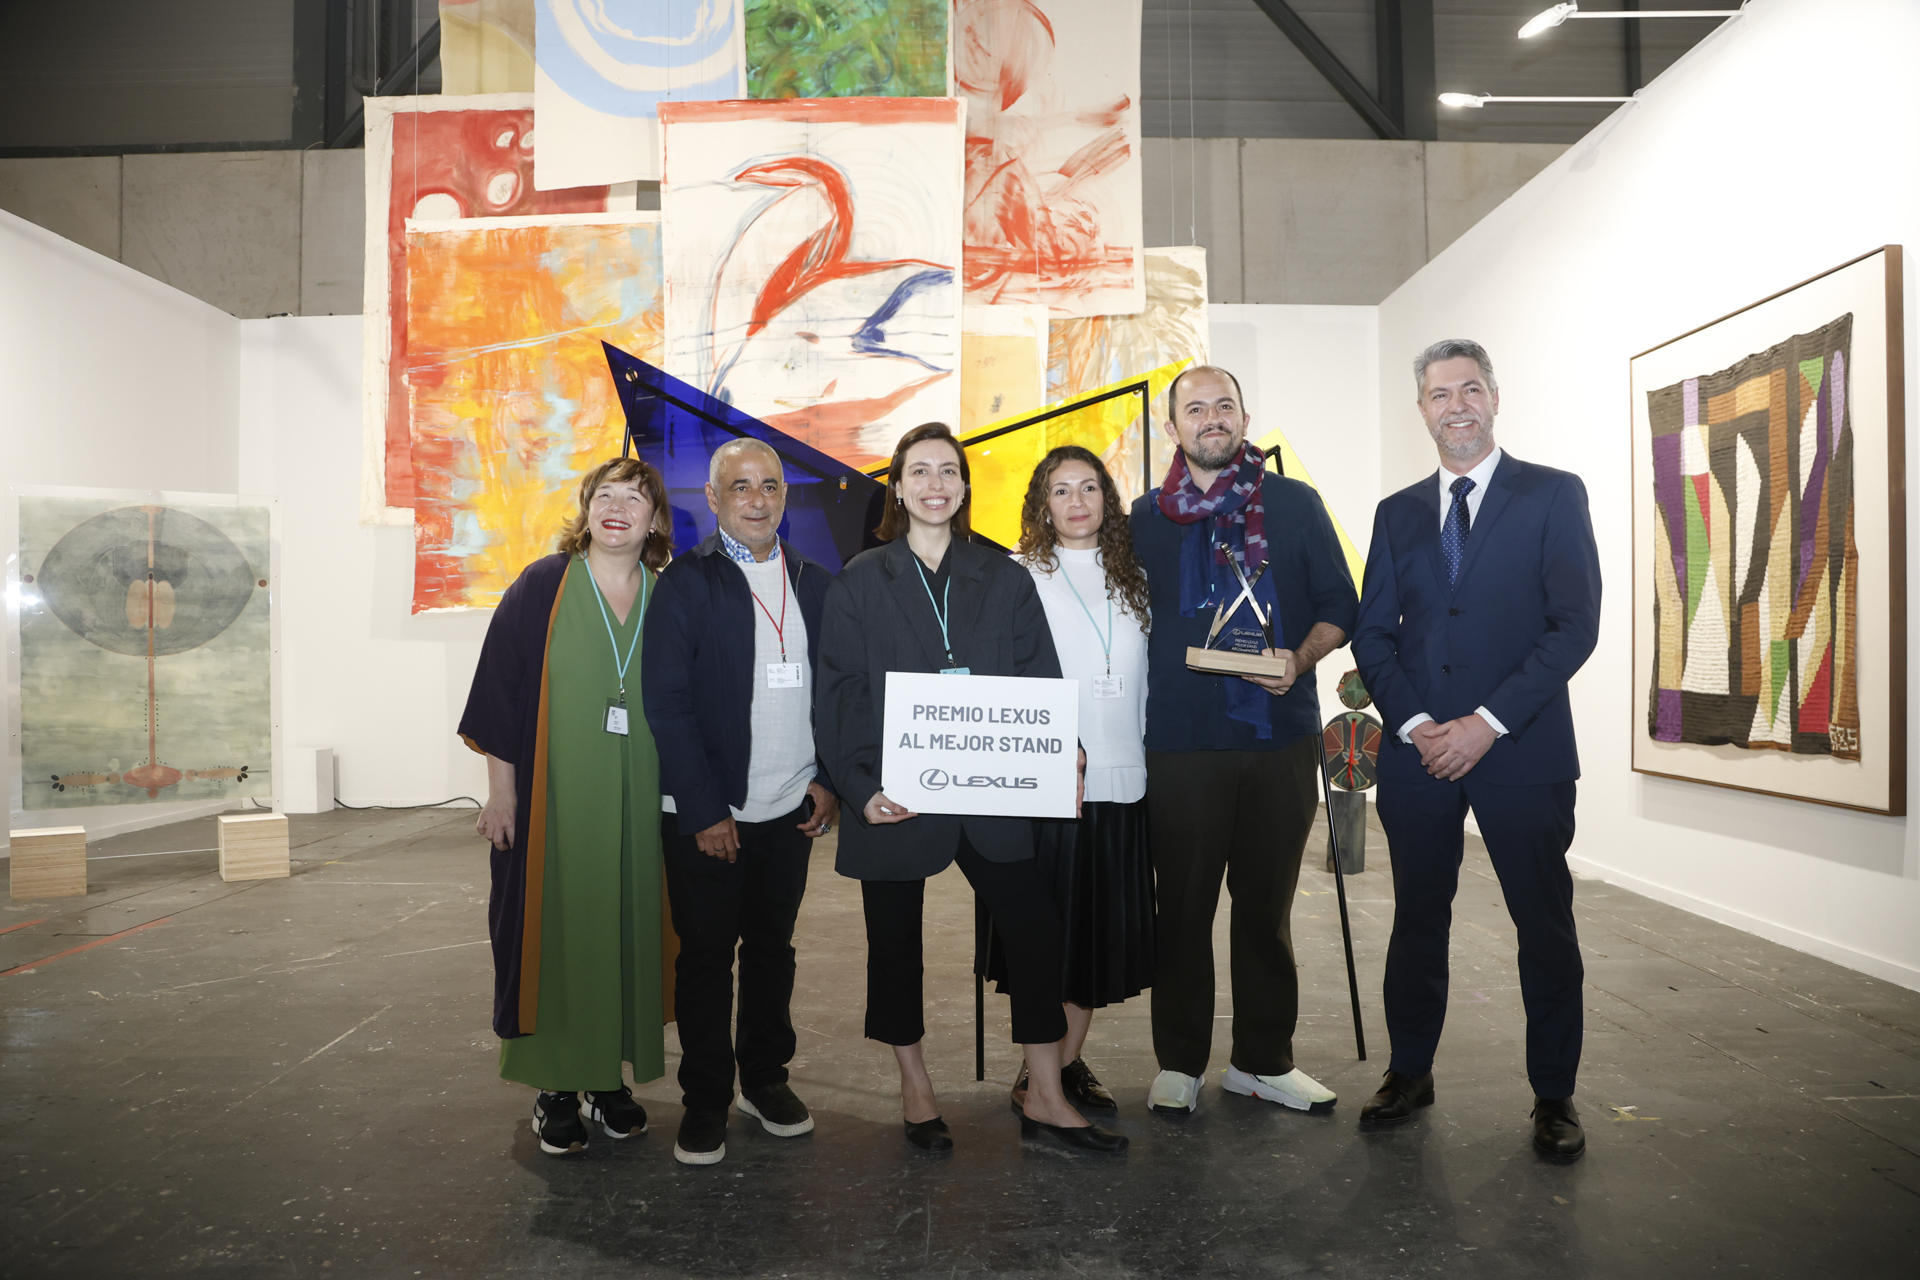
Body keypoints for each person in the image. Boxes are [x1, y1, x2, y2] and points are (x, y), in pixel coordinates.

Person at [814, 422, 1127, 1155]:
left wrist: (1063, 752)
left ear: (962, 486)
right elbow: (839, 695)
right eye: (918, 472)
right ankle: (915, 1089)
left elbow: (1037, 681)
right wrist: (859, 790)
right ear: (897, 486)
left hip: (991, 794)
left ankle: (1046, 1092)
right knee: (894, 946)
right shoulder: (860, 579)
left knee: (1035, 928)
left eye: (947, 472)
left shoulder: (1004, 576)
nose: (934, 485)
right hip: (893, 797)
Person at [1351, 339, 1601, 1158]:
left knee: (1544, 923)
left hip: (1521, 751)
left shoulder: (1553, 496)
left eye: (1468, 389)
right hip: (1419, 756)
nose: (1454, 405)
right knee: (1418, 920)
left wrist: (1485, 723)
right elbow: (1373, 637)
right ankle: (1409, 1071)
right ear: (1419, 409)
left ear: (1495, 397)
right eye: (1437, 394)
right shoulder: (1397, 513)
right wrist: (1421, 725)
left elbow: (1575, 628)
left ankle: (1554, 1096)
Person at [1129, 365, 1358, 1117]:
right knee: (1184, 912)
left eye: (1223, 405)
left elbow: (1338, 606)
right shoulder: (1142, 519)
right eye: (1194, 408)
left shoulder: (1294, 504)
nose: (1211, 418)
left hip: (1278, 741)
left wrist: (1299, 658)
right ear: (1172, 429)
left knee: (1267, 910)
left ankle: (1263, 1059)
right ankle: (1180, 1062)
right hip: (1180, 742)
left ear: (1244, 416)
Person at [459, 455, 675, 1156]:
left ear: (654, 519)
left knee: (624, 930)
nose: (617, 508)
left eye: (634, 498)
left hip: (641, 800)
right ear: (585, 510)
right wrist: (502, 794)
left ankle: (607, 1080)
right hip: (558, 798)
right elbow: (499, 690)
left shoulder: (665, 595)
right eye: (603, 495)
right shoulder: (543, 586)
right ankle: (555, 1084)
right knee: (557, 931)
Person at [640, 438, 838, 1166]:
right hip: (709, 815)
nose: (757, 499)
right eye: (740, 486)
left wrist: (828, 780)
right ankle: (704, 1100)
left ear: (786, 496)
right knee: (703, 959)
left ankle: (765, 1080)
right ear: (714, 500)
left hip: (791, 807)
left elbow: (837, 694)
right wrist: (703, 810)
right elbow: (666, 702)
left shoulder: (816, 582)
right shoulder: (687, 584)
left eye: (770, 485)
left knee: (771, 954)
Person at [985, 445, 1155, 1115]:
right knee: (1046, 945)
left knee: (1098, 944)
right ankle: (1046, 1077)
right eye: (1061, 490)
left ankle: (1058, 1069)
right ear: (1041, 505)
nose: (1077, 501)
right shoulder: (1017, 575)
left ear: (1109, 501)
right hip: (1047, 789)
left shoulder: (1136, 577)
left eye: (1090, 487)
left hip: (1127, 782)